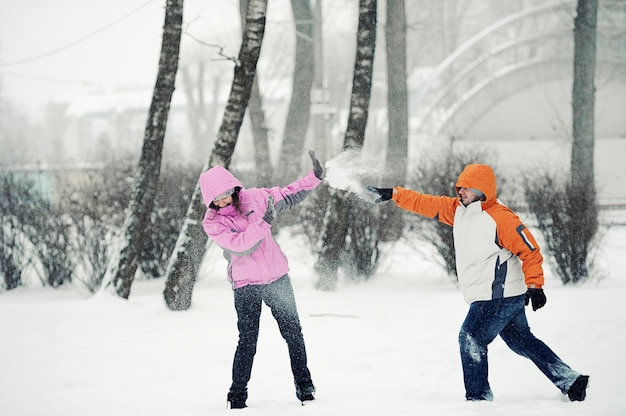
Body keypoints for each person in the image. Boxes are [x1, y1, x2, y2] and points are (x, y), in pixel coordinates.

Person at [367, 163, 589, 402]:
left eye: (467, 187)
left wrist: (536, 286)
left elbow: (530, 250)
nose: (460, 191)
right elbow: (425, 202)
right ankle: (570, 379)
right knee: (521, 341)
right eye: (460, 186)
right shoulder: (458, 210)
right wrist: (393, 194)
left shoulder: (500, 218)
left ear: (482, 190)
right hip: (498, 294)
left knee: (471, 337)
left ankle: (478, 398)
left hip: (497, 295)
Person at [199, 150, 324, 409]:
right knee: (247, 342)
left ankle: (305, 387)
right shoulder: (212, 224)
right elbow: (241, 246)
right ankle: (237, 397)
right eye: (217, 200)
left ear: (233, 189)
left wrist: (314, 177)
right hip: (247, 287)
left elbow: (289, 194)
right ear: (210, 202)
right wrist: (264, 224)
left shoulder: (256, 198)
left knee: (294, 334)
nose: (223, 202)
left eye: (226, 195)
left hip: (277, 277)